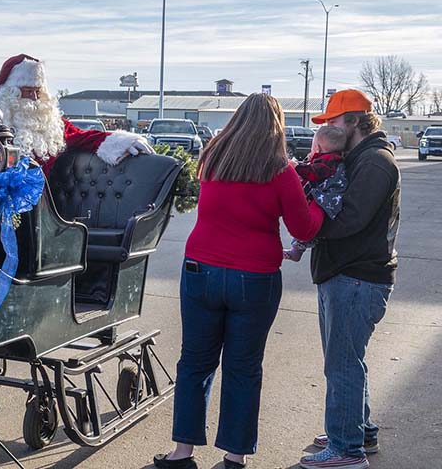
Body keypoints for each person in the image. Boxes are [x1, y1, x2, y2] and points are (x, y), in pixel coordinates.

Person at [155, 94, 325, 469]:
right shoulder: (279, 171)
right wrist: (319, 204)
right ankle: (235, 456)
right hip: (254, 277)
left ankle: (181, 453)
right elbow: (303, 227)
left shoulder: (213, 159)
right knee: (243, 367)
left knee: (195, 363)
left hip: (200, 269)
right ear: (276, 126)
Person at [298, 90, 400, 469]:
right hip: (348, 275)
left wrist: (309, 224)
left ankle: (346, 449)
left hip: (357, 277)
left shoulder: (374, 162)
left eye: (334, 120)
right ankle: (358, 429)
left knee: (342, 363)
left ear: (356, 121)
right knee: (348, 359)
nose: (328, 126)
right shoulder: (359, 158)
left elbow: (350, 219)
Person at [0, 54, 153, 173]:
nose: (35, 98)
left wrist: (123, 141)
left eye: (37, 91)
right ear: (9, 93)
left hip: (41, 206)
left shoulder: (51, 125)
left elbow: (84, 137)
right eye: (29, 91)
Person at [283, 125, 348, 261]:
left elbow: (315, 173)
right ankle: (297, 249)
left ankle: (297, 249)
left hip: (326, 200)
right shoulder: (328, 159)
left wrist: (297, 167)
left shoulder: (330, 161)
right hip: (323, 198)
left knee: (310, 220)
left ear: (317, 147)